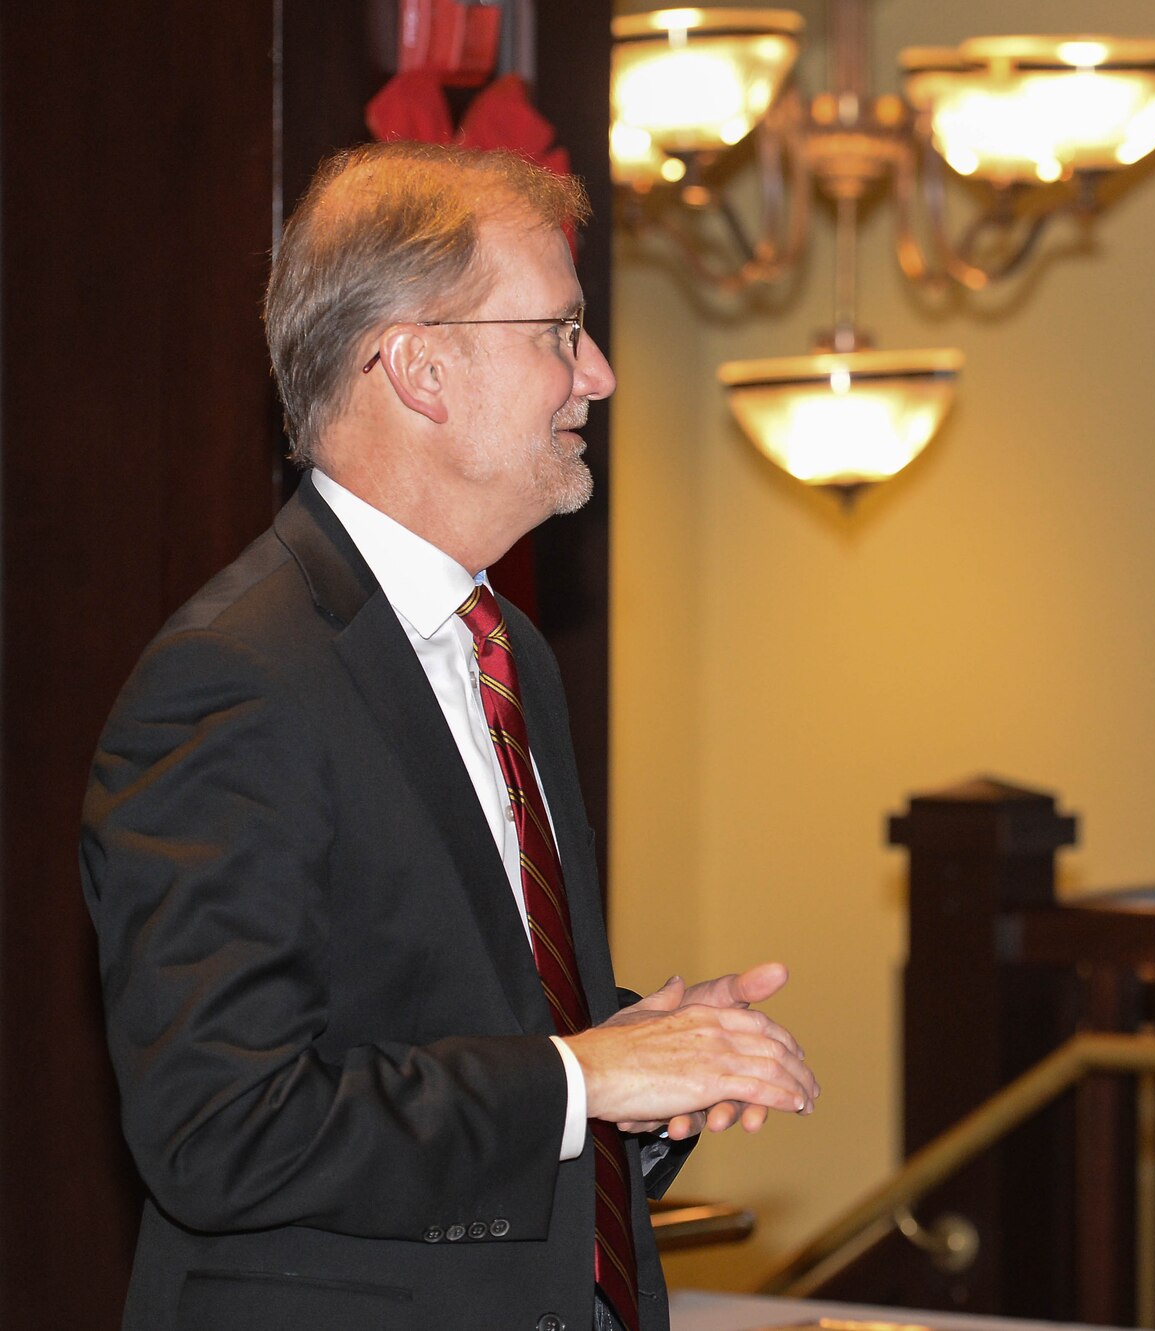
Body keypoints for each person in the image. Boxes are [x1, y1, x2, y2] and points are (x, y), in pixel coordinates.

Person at [80, 141, 819, 1331]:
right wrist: (580, 1077)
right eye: (558, 331)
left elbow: (438, 1031)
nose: (601, 373)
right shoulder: (234, 677)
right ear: (420, 368)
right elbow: (220, 1128)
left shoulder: (504, 645)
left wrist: (623, 1067)